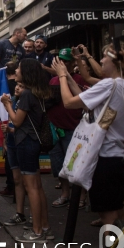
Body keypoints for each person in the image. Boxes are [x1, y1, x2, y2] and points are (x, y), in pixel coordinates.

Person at [52, 45, 124, 236]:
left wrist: (61, 76)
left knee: (108, 218)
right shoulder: (122, 85)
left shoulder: (108, 84)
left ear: (115, 62)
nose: (101, 61)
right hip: (118, 155)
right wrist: (69, 77)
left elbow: (70, 103)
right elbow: (86, 103)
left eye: (104, 57)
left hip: (104, 157)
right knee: (119, 210)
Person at [1, 58, 53, 243]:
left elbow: (16, 121)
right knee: (37, 187)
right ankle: (44, 226)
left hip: (26, 142)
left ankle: (37, 231)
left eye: (19, 69)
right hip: (32, 142)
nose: (16, 71)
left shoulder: (27, 95)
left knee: (31, 187)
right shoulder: (36, 93)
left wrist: (7, 104)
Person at [47, 48, 88, 210]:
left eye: (66, 61)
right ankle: (65, 194)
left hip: (74, 129)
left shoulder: (79, 80)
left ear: (72, 63)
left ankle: (81, 196)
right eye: (60, 60)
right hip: (55, 129)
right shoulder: (53, 81)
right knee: (59, 165)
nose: (63, 64)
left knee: (77, 164)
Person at [1, 82, 28, 226]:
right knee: (16, 179)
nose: (17, 87)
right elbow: (12, 121)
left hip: (22, 144)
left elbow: (19, 124)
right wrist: (6, 137)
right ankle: (19, 213)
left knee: (28, 182)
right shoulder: (15, 101)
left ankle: (36, 219)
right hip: (11, 143)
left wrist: (11, 130)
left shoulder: (26, 101)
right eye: (17, 85)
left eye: (21, 86)